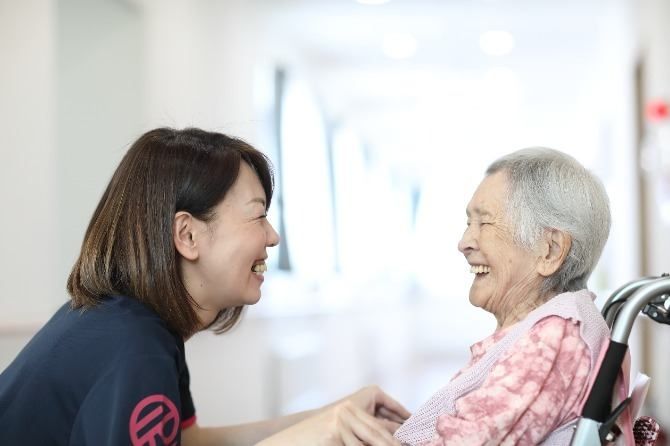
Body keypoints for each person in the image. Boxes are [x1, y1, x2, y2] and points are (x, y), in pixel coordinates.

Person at [0, 127, 409, 446]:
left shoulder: (135, 326)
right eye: (258, 216)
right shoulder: (133, 349)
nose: (273, 237)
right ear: (188, 235)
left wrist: (332, 417)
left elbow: (188, 440)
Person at [394, 148, 612, 445]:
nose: (464, 243)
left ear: (549, 250)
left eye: (484, 223)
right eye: (468, 223)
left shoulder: (551, 342)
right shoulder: (542, 333)